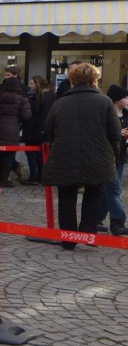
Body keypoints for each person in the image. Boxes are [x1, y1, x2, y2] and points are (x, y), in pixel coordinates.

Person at [42, 63, 121, 249]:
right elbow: (115, 133)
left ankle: (68, 239)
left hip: (65, 156)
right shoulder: (105, 102)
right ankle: (87, 233)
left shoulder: (59, 103)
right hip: (98, 157)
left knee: (66, 196)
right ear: (95, 79)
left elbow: (48, 130)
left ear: (72, 80)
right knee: (94, 193)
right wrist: (112, 154)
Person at [0, 77, 31, 188]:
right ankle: (4, 180)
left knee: (0, 155)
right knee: (9, 156)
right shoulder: (22, 99)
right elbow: (27, 116)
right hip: (13, 130)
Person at [97, 84, 128, 235]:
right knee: (114, 190)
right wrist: (118, 133)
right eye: (125, 97)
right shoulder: (108, 114)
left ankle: (96, 219)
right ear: (116, 100)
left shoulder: (126, 115)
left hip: (121, 156)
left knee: (107, 190)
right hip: (109, 157)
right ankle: (118, 221)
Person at [21, 76, 55, 185]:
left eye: (32, 83)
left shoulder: (44, 96)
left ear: (37, 84)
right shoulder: (35, 96)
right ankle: (37, 175)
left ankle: (36, 176)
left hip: (36, 129)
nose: (30, 86)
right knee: (34, 153)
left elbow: (44, 115)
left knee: (36, 153)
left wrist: (41, 130)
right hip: (32, 128)